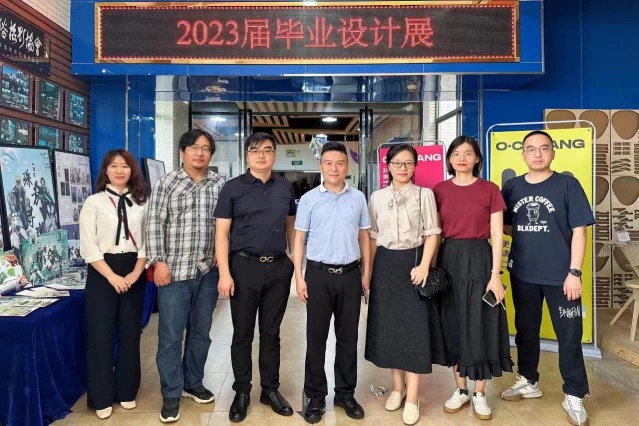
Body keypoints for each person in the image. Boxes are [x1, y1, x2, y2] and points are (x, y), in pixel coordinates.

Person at [500, 130, 594, 426]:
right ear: (523, 154)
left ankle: (574, 393)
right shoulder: (512, 187)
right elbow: (504, 225)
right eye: (531, 149)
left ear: (553, 152)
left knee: (569, 335)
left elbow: (580, 230)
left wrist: (574, 272)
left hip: (562, 277)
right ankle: (529, 380)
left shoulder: (567, 184)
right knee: (526, 330)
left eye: (543, 148)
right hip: (523, 273)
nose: (537, 154)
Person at [214, 132, 296, 422]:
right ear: (247, 155)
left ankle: (270, 389)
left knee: (271, 333)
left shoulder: (285, 187)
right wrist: (224, 273)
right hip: (243, 267)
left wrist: (296, 264)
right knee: (242, 333)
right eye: (255, 150)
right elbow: (221, 234)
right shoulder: (232, 188)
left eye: (267, 150)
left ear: (275, 154)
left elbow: (291, 228)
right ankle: (242, 392)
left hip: (278, 268)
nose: (261, 155)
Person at [146, 129, 225, 423]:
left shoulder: (219, 184)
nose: (200, 153)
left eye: (205, 148)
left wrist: (221, 254)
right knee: (170, 336)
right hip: (174, 272)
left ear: (211, 154)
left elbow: (225, 224)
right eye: (194, 148)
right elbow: (154, 224)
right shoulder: (167, 183)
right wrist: (159, 262)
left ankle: (193, 382)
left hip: (208, 271)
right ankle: (170, 393)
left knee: (201, 333)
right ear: (183, 152)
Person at [433, 136, 513, 421]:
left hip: (480, 258)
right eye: (456, 154)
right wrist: (431, 269)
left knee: (481, 322)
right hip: (449, 258)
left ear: (477, 158)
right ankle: (461, 389)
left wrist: (495, 275)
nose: (462, 158)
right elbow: (435, 233)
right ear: (449, 159)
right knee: (453, 322)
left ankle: (480, 393)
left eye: (468, 153)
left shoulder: (490, 189)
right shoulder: (439, 190)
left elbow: (497, 234)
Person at [365, 144, 446, 425]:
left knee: (414, 331)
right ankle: (397, 388)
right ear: (387, 166)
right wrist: (369, 273)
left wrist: (424, 265)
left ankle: (412, 397)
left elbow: (433, 233)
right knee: (389, 330)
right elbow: (373, 236)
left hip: (414, 264)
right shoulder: (376, 197)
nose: (403, 168)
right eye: (397, 163)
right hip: (385, 265)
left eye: (409, 163)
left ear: (415, 166)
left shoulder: (424, 194)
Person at [293, 141, 371, 424]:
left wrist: (366, 274)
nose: (334, 168)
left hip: (350, 274)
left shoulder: (358, 198)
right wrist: (299, 277)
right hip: (318, 275)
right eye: (328, 163)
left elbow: (364, 237)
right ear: (321, 166)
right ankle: (315, 395)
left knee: (348, 339)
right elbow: (299, 239)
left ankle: (345, 393)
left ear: (347, 166)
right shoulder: (309, 199)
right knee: (316, 338)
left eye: (339, 163)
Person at [79, 149, 149, 419]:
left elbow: (147, 242)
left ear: (132, 170)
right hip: (102, 271)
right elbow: (89, 246)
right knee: (101, 335)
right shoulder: (93, 202)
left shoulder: (142, 202)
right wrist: (111, 276)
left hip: (134, 269)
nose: (120, 171)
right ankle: (101, 396)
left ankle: (127, 390)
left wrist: (135, 273)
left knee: (131, 333)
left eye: (125, 166)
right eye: (114, 166)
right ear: (105, 171)